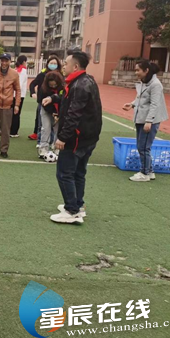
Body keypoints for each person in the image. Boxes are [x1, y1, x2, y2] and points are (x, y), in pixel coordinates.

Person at [47, 51, 102, 224]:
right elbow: (69, 101)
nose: (63, 66)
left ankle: (72, 211)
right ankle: (78, 205)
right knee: (79, 173)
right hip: (88, 138)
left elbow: (73, 114)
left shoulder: (80, 85)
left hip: (77, 139)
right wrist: (54, 97)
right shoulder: (86, 81)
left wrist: (62, 137)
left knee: (64, 173)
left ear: (76, 66)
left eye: (66, 64)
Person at [122, 60, 168, 182]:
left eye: (138, 70)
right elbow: (140, 97)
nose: (136, 72)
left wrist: (149, 121)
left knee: (143, 147)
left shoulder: (155, 85)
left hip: (149, 120)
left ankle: (145, 173)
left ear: (146, 70)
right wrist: (132, 104)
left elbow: (154, 104)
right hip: (141, 117)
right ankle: (150, 170)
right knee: (142, 146)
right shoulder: (144, 82)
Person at [28, 55, 61, 142]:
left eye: (55, 63)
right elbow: (32, 84)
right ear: (47, 64)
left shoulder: (60, 76)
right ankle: (40, 142)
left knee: (55, 125)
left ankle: (52, 143)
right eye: (51, 63)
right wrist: (33, 93)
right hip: (43, 103)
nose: (53, 65)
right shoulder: (42, 75)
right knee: (42, 124)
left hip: (56, 104)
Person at [38, 71, 65, 157]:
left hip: (60, 111)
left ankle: (57, 148)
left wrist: (58, 114)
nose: (53, 86)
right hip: (46, 110)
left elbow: (64, 101)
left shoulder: (63, 88)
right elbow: (41, 102)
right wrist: (53, 113)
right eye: (51, 85)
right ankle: (43, 148)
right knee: (46, 128)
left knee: (58, 129)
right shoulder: (43, 89)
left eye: (55, 85)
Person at [10, 55, 28, 138]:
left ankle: (11, 130)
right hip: (19, 95)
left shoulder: (16, 70)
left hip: (13, 94)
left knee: (13, 113)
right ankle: (14, 131)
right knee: (16, 113)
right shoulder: (23, 71)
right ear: (24, 62)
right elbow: (19, 84)